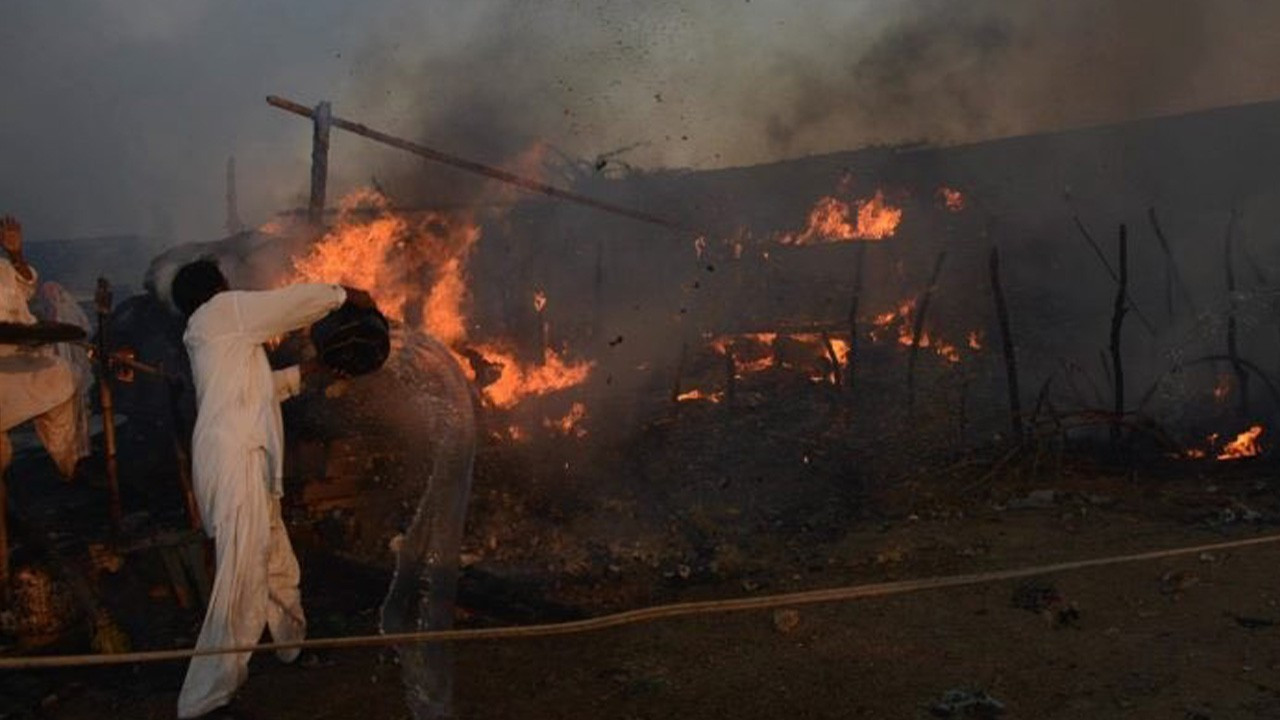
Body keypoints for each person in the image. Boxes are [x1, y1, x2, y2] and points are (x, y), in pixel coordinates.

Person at [170, 258, 373, 718]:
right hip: (235, 459)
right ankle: (204, 699)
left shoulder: (221, 336)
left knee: (277, 560)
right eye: (226, 282)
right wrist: (344, 295)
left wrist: (313, 371)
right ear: (217, 288)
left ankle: (291, 645)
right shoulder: (222, 313)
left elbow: (263, 388)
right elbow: (290, 305)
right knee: (241, 576)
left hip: (250, 458)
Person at [0, 215, 81, 479]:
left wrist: (16, 254)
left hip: (23, 355)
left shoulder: (3, 267)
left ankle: (68, 463)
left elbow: (26, 287)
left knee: (62, 376)